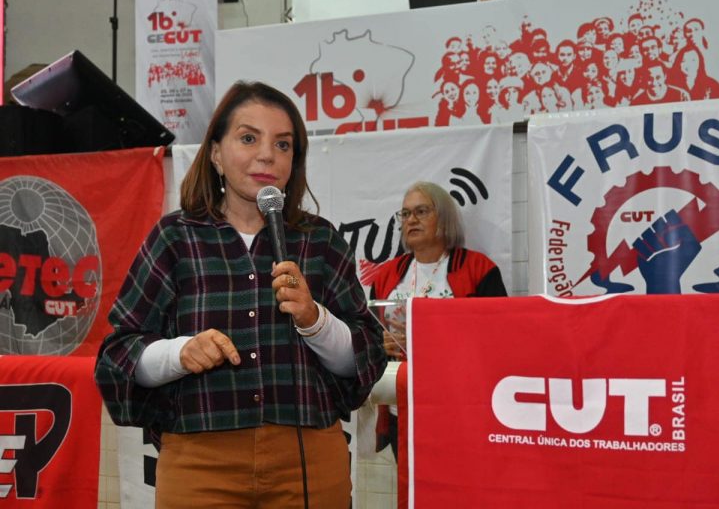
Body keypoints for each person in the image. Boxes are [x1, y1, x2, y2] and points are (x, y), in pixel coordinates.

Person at [94, 81, 387, 508]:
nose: (267, 154)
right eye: (248, 138)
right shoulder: (175, 238)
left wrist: (315, 320)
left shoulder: (318, 241)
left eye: (283, 144)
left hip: (307, 458)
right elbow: (118, 355)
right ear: (215, 153)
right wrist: (179, 354)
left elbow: (366, 357)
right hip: (200, 461)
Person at [368, 181, 507, 460]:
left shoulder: (479, 269)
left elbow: (499, 339)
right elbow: (369, 334)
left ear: (444, 219)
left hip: (459, 403)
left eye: (421, 211)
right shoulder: (386, 275)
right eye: (405, 214)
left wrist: (428, 339)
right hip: (401, 406)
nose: (411, 220)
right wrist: (378, 342)